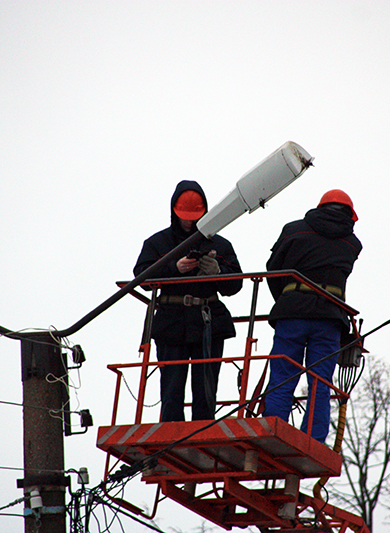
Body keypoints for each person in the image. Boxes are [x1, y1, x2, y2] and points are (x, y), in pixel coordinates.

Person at [134, 180, 243, 422]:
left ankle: (202, 430)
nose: (190, 222)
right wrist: (175, 268)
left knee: (205, 390)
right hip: (172, 322)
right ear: (174, 211)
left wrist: (217, 272)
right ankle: (172, 432)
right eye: (185, 216)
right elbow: (141, 277)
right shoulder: (158, 243)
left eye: (195, 216)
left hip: (208, 321)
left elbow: (235, 284)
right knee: (171, 391)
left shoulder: (220, 245)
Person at [263, 189, 362, 442]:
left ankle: (273, 430)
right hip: (329, 318)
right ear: (350, 215)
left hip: (293, 313)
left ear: (320, 207)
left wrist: (286, 299)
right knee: (320, 380)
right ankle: (314, 438)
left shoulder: (294, 230)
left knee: (283, 373)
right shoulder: (352, 244)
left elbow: (273, 269)